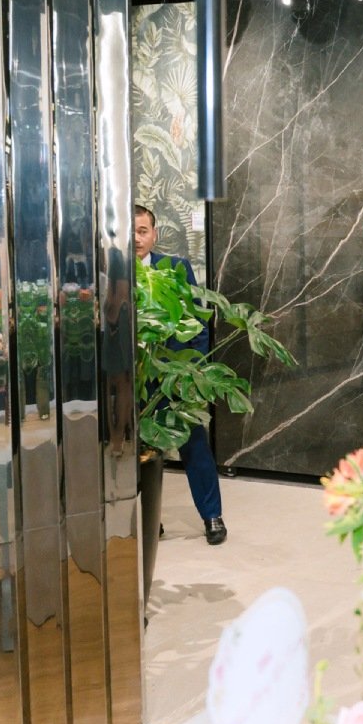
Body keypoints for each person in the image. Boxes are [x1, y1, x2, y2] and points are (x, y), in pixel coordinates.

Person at [134, 204, 226, 545]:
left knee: (193, 443)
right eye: (130, 232)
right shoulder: (111, 272)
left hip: (172, 374)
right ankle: (148, 519)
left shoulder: (175, 268)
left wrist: (193, 368)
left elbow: (196, 322)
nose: (136, 238)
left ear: (154, 234)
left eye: (142, 231)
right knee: (133, 451)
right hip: (131, 379)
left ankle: (212, 515)